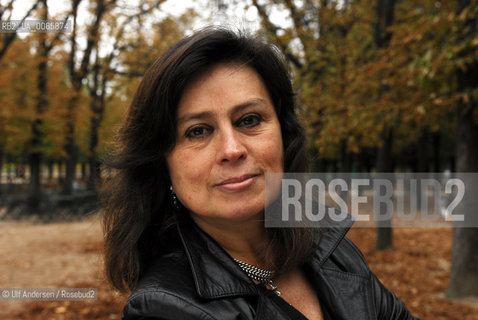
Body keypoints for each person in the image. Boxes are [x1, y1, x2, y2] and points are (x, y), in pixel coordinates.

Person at [101, 27, 419, 320]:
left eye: (249, 120)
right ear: (162, 164)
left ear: (284, 134)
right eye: (197, 131)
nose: (232, 149)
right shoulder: (165, 308)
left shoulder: (328, 246)